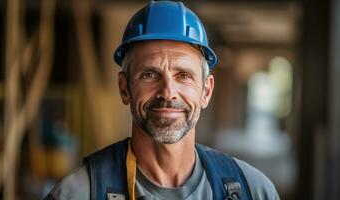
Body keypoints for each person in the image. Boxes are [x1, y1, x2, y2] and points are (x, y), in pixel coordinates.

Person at [44, 1, 280, 200]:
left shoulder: (253, 190)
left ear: (206, 91)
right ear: (124, 88)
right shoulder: (77, 193)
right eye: (149, 75)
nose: (168, 92)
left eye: (184, 76)